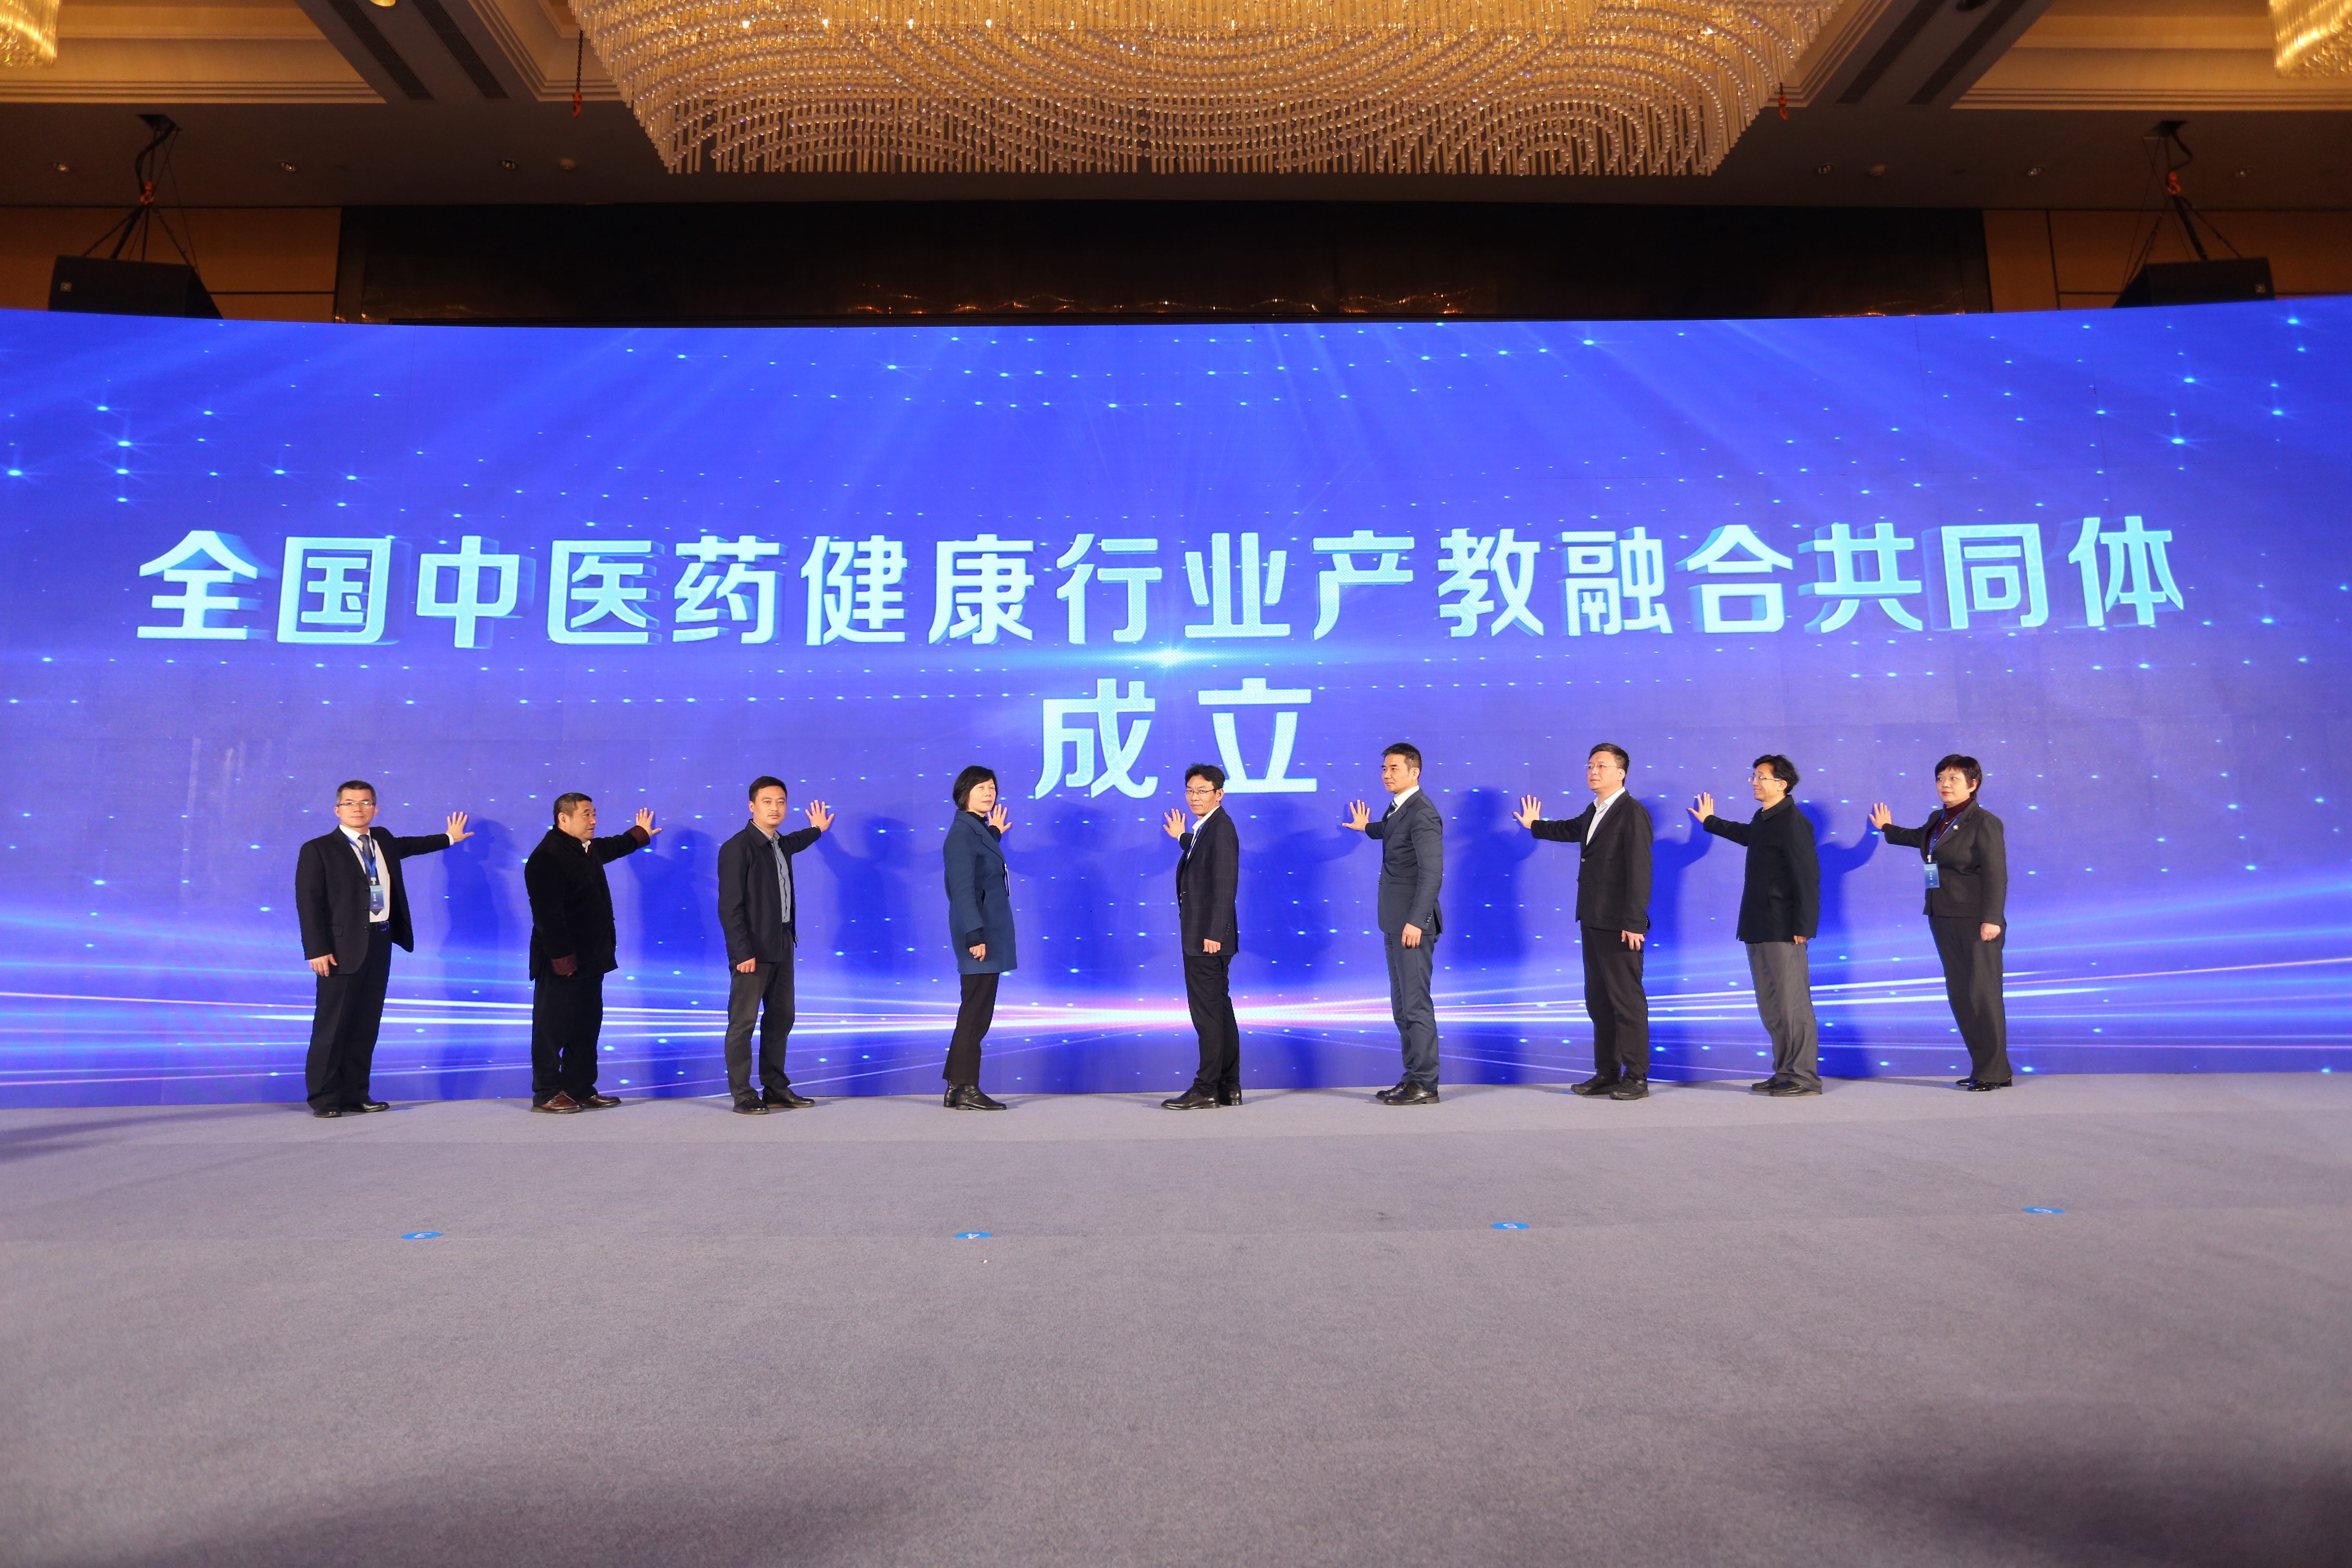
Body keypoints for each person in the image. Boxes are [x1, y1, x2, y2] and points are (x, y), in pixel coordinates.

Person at [293, 781, 470, 1118]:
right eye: (350, 803)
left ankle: (356, 1094)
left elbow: (412, 845)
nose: (358, 809)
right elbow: (309, 902)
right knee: (333, 1026)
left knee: (366, 1024)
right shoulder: (318, 849)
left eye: (365, 803)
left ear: (375, 809)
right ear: (337, 810)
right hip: (340, 949)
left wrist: (449, 838)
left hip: (379, 941)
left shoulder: (383, 840)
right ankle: (325, 1098)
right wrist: (316, 950)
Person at [1515, 743, 1654, 1100]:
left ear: (1621, 773)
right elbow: (1569, 829)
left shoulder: (1632, 812)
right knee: (1599, 1001)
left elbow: (1640, 871)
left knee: (1626, 1002)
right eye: (1591, 766)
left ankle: (1636, 1077)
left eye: (1602, 766)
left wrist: (1634, 921)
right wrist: (1535, 826)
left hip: (1621, 924)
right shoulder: (1595, 810)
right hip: (1593, 918)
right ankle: (1607, 1073)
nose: (1594, 771)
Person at [1869, 755, 2011, 1091]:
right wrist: (1887, 829)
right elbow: (1919, 838)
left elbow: (1997, 874)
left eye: (1954, 779)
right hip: (1942, 915)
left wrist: (1992, 919)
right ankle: (1984, 1068)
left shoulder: (1985, 822)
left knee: (1983, 995)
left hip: (1976, 921)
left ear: (1973, 785)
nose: (1945, 785)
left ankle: (1995, 1071)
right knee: (1961, 995)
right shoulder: (1939, 819)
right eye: (1941, 778)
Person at [1690, 755, 1822, 1097]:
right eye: (1754, 776)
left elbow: (1807, 876)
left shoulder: (1794, 822)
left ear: (1782, 784)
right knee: (1771, 1005)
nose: (1755, 782)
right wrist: (1710, 821)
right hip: (1757, 924)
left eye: (1762, 777)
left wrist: (1804, 924)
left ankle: (1805, 1077)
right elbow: (1747, 835)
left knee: (1794, 1005)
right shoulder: (1764, 818)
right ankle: (1785, 1071)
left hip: (1784, 927)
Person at [523, 792, 657, 1114]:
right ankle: (546, 1093)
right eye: (587, 815)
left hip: (591, 959)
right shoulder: (547, 857)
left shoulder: (586, 848)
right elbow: (547, 917)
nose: (594, 821)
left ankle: (580, 1088)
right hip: (561, 961)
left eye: (594, 814)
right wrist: (563, 961)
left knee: (586, 1026)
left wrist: (639, 834)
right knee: (552, 1028)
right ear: (564, 818)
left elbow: (612, 846)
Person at [717, 775, 833, 1116]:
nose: (775, 808)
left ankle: (775, 1088)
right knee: (743, 1023)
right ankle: (743, 1095)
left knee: (782, 1018)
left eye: (781, 802)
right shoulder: (738, 848)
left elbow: (797, 841)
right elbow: (730, 907)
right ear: (752, 806)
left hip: (783, 943)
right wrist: (742, 952)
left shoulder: (780, 844)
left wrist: (817, 830)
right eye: (767, 802)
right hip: (752, 951)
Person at [1344, 742, 1444, 1105]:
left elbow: (1432, 874)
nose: (1387, 775)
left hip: (1412, 926)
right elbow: (1389, 830)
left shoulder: (1423, 813)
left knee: (1416, 1006)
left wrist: (1417, 921)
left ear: (1414, 772)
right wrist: (1366, 828)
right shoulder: (1399, 807)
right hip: (1394, 921)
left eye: (1394, 769)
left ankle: (1426, 1084)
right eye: (1384, 769)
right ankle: (1412, 1077)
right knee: (1402, 1007)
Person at [1160, 763, 1242, 1110]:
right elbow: (1199, 853)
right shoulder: (1208, 828)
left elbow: (1225, 885)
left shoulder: (1220, 829)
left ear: (1219, 794)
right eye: (1190, 791)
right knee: (1219, 1012)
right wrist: (1181, 838)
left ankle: (1206, 1088)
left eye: (1202, 791)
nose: (1195, 797)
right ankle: (1229, 1086)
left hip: (1207, 939)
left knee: (1207, 1016)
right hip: (1208, 936)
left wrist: (1214, 933)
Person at [941, 765, 1014, 1111]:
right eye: (981, 788)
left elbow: (982, 862)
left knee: (974, 1010)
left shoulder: (976, 829)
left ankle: (957, 1087)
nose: (989, 793)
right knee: (976, 1013)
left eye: (992, 788)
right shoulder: (961, 833)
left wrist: (995, 832)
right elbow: (963, 889)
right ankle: (968, 1089)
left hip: (988, 932)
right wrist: (975, 935)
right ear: (964, 793)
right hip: (980, 935)